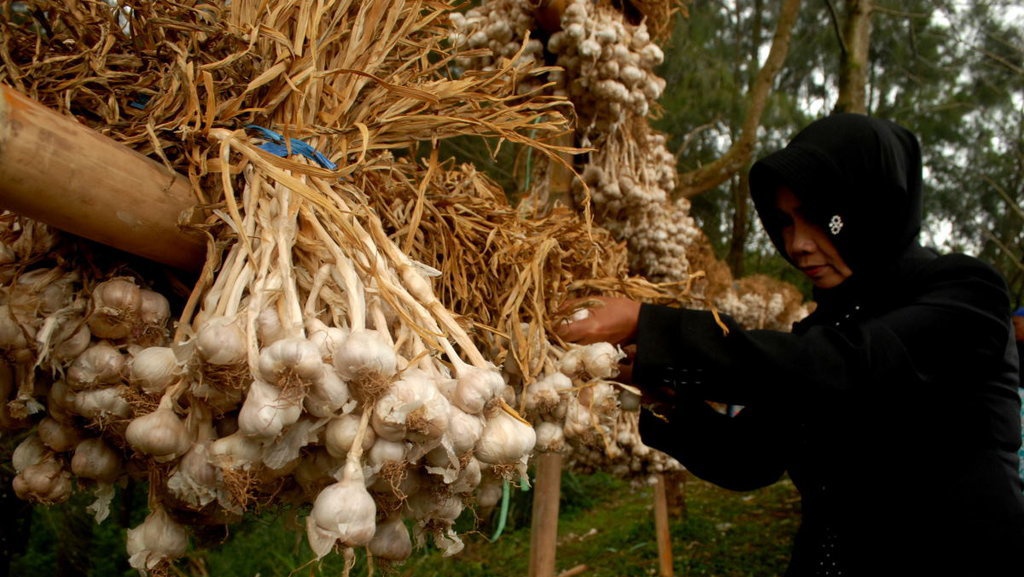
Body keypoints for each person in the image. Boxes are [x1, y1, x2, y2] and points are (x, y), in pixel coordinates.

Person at [556, 113, 1024, 577]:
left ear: (873, 205)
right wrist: (667, 400)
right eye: (783, 221)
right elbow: (750, 460)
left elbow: (847, 368)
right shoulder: (822, 328)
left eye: (817, 217)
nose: (796, 243)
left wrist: (653, 327)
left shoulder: (966, 293)